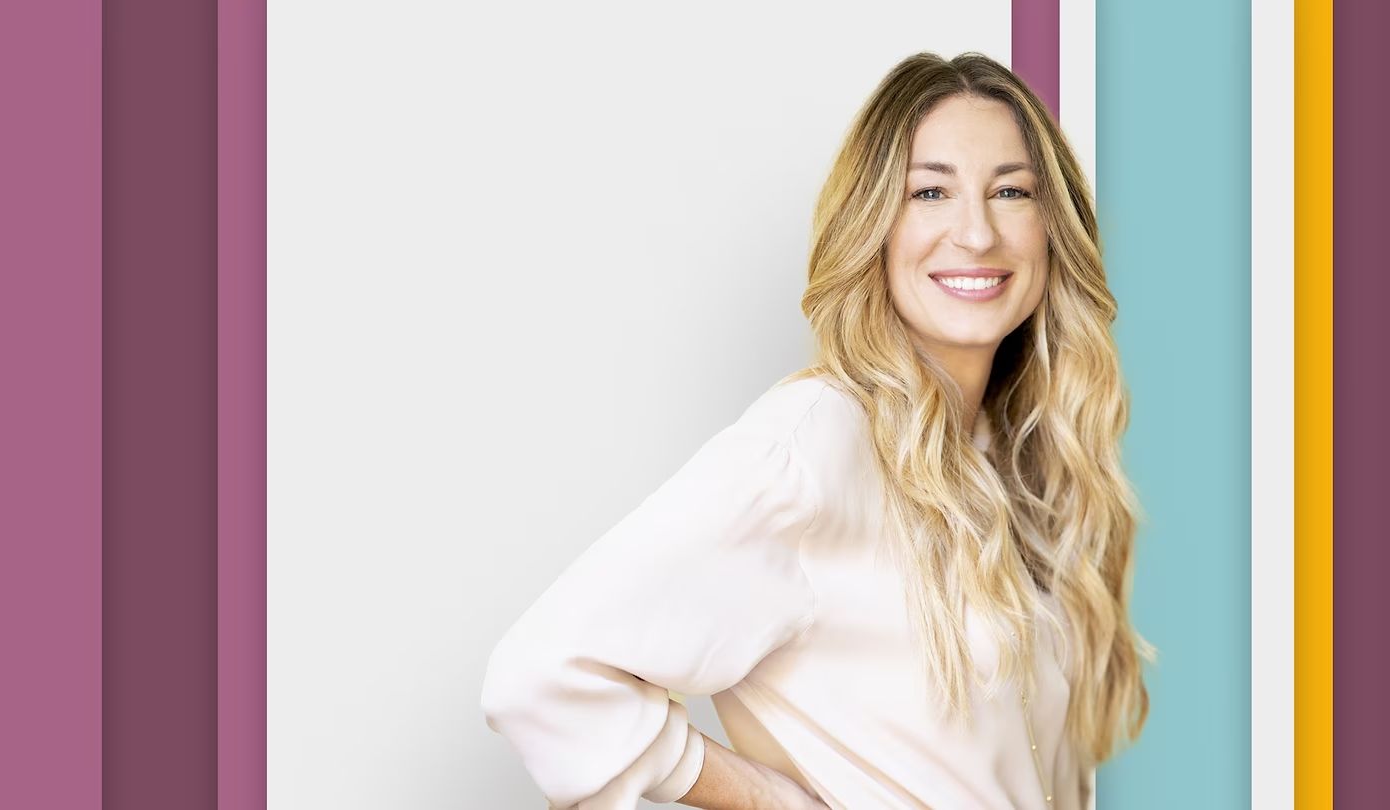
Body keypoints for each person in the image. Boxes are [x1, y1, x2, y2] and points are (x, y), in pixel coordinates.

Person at [480, 51, 1151, 810]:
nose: (976, 232)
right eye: (930, 191)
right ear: (874, 226)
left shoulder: (1018, 460)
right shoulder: (816, 442)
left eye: (1011, 191)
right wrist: (775, 802)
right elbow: (543, 672)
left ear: (1053, 227)